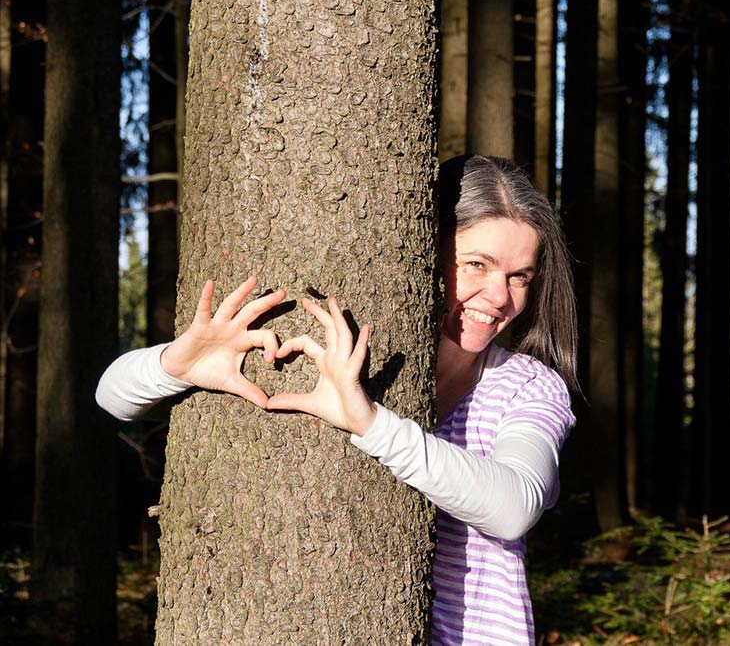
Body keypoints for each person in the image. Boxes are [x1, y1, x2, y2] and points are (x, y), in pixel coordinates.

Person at [96, 155, 578, 645]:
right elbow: (111, 396)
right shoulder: (376, 359)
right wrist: (175, 366)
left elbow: (515, 506)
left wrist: (372, 425)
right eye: (477, 265)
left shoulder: (528, 385)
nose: (499, 296)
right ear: (425, 250)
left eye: (520, 276)